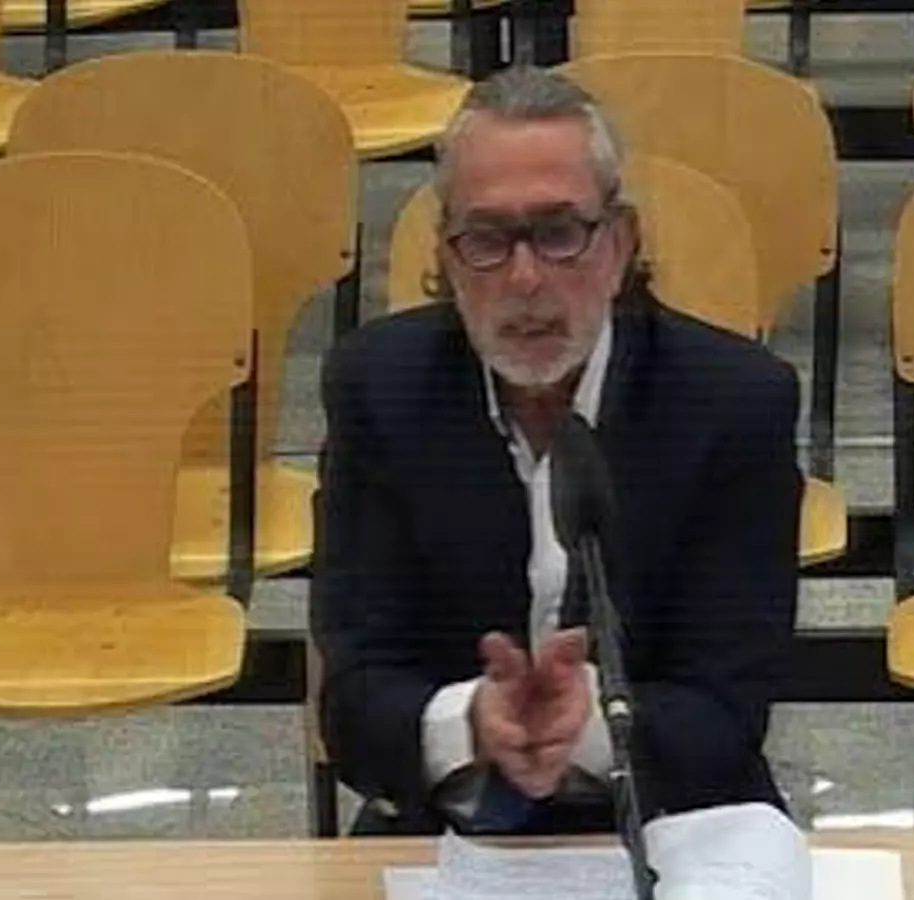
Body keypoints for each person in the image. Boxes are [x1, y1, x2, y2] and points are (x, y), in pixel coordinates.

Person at [310, 65, 803, 837]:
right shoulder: (379, 389)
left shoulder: (734, 402)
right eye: (487, 239)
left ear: (620, 244)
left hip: (679, 814)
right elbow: (355, 705)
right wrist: (475, 720)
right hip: (451, 823)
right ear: (446, 254)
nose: (525, 278)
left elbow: (725, 711)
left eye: (558, 233)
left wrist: (590, 725)